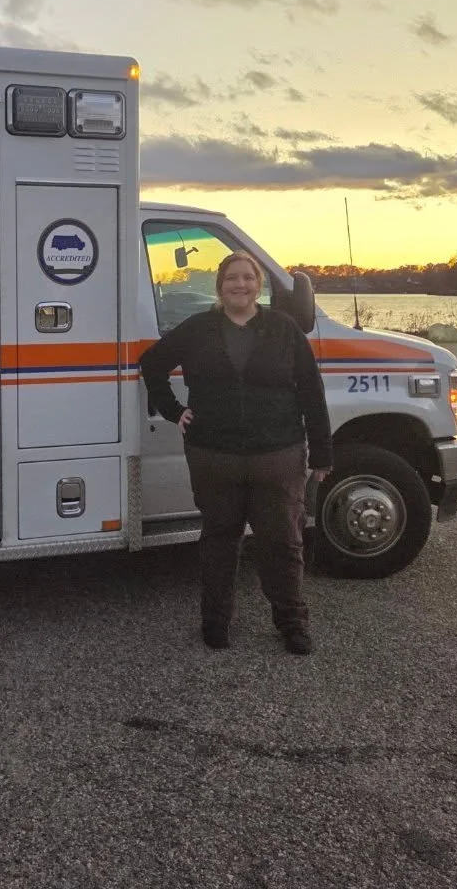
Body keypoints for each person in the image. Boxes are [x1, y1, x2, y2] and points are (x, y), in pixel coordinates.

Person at [139, 251, 333, 655]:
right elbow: (152, 364)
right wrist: (175, 411)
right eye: (232, 278)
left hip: (278, 454)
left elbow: (312, 392)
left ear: (259, 286)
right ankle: (215, 622)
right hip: (214, 454)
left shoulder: (284, 329)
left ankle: (292, 623)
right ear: (220, 286)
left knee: (283, 543)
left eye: (248, 278)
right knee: (219, 541)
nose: (240, 285)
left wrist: (322, 454)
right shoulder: (198, 328)